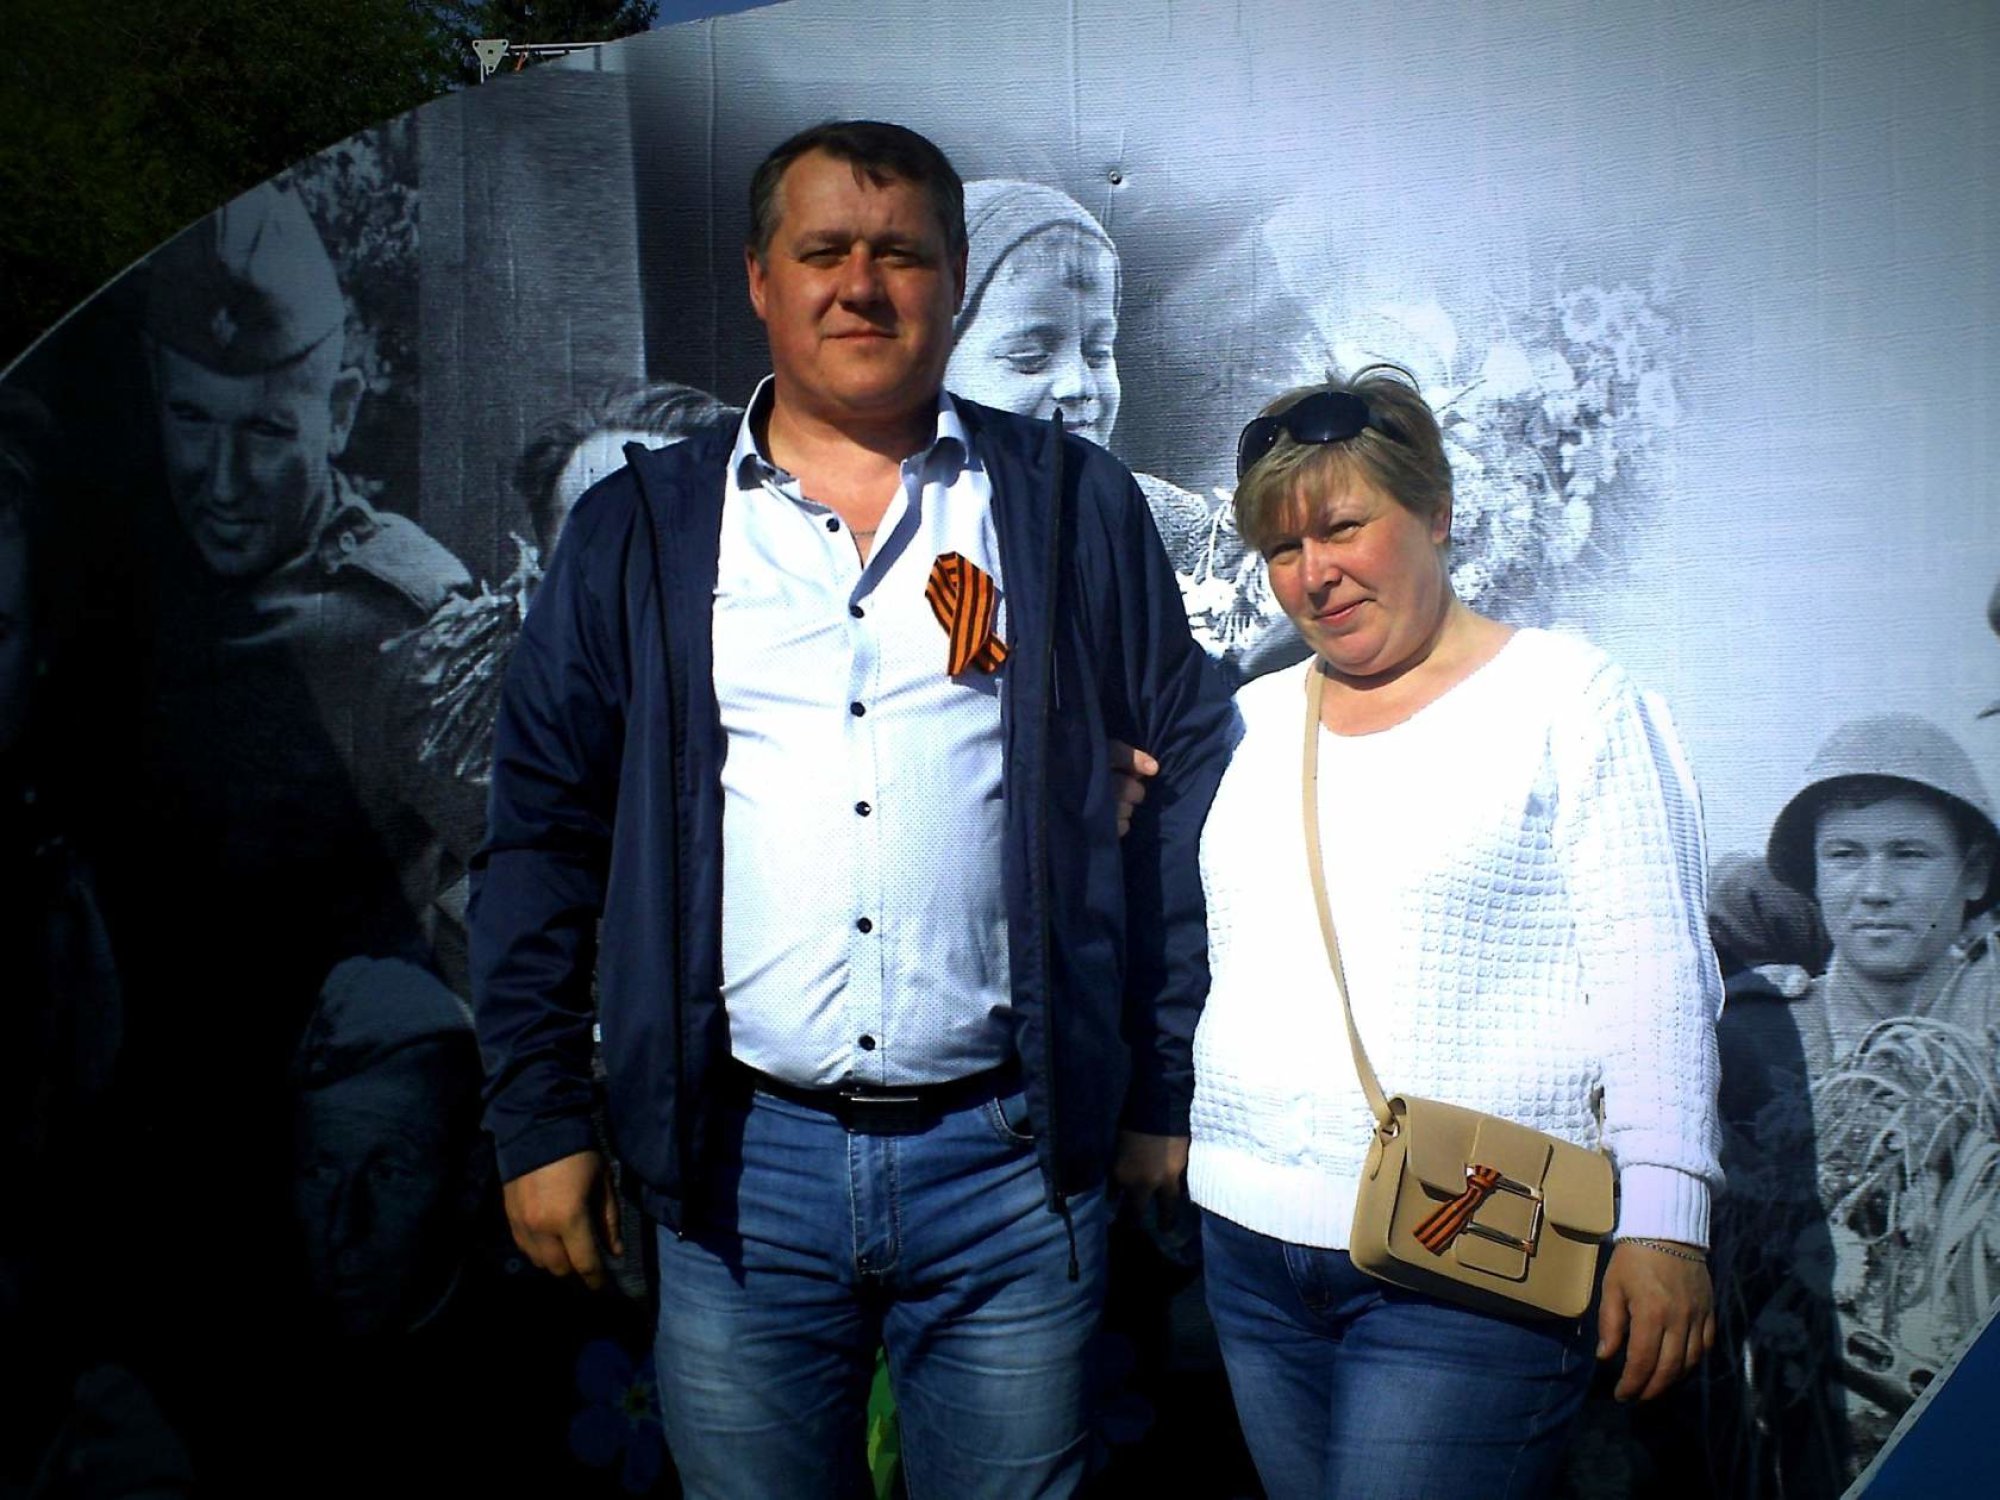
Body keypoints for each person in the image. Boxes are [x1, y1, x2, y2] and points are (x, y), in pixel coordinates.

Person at [469, 120, 1235, 1499]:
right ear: (762, 280)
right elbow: (540, 835)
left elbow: (1180, 789)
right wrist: (540, 1121)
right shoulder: (643, 528)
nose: (861, 287)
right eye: (824, 251)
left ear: (951, 283)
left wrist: (1160, 1086)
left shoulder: (1072, 507)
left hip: (1012, 1174)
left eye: (901, 255)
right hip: (738, 1177)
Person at [1186, 366, 1723, 1498]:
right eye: (1282, 548)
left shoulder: (1570, 698)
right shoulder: (1247, 719)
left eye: (1342, 527)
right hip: (1246, 1247)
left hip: (1468, 1254)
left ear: (1433, 511)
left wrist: (1666, 1224)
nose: (1313, 574)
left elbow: (1655, 975)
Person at [1717, 713, 2000, 1479]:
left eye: (1910, 855)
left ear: (1974, 874)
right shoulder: (1752, 1037)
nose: (1875, 890)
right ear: (1812, 875)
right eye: (1845, 855)